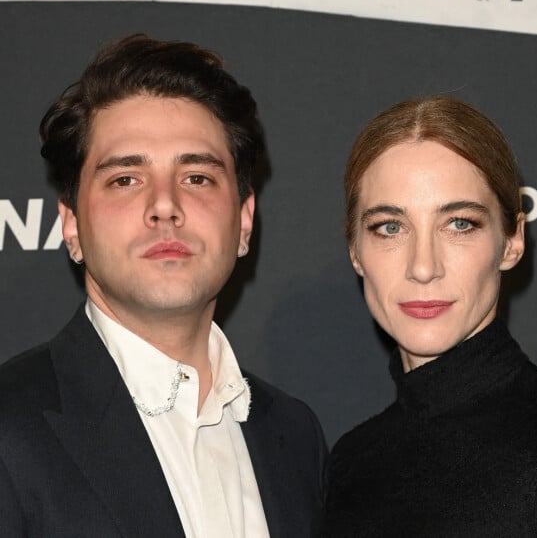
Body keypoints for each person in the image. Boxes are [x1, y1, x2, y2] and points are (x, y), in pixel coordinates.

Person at [0, 34, 326, 538]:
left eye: (197, 177)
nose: (165, 205)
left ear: (243, 221)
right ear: (71, 226)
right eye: (125, 179)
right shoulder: (9, 425)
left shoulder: (295, 436)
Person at [322, 96, 537, 537]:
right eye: (390, 226)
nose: (423, 267)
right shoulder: (348, 462)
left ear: (512, 241)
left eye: (459, 224)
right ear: (355, 251)